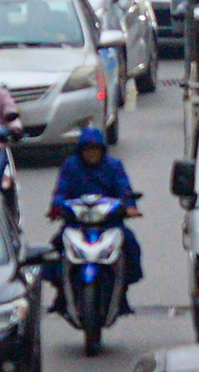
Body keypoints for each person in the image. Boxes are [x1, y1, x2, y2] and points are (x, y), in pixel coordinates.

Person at [49, 126, 141, 313]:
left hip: (109, 223)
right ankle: (61, 293)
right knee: (56, 246)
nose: (91, 153)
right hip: (77, 223)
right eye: (87, 149)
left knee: (130, 243)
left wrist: (129, 206)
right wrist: (57, 207)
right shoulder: (70, 166)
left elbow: (124, 189)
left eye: (95, 149)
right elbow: (61, 191)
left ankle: (122, 292)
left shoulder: (113, 166)